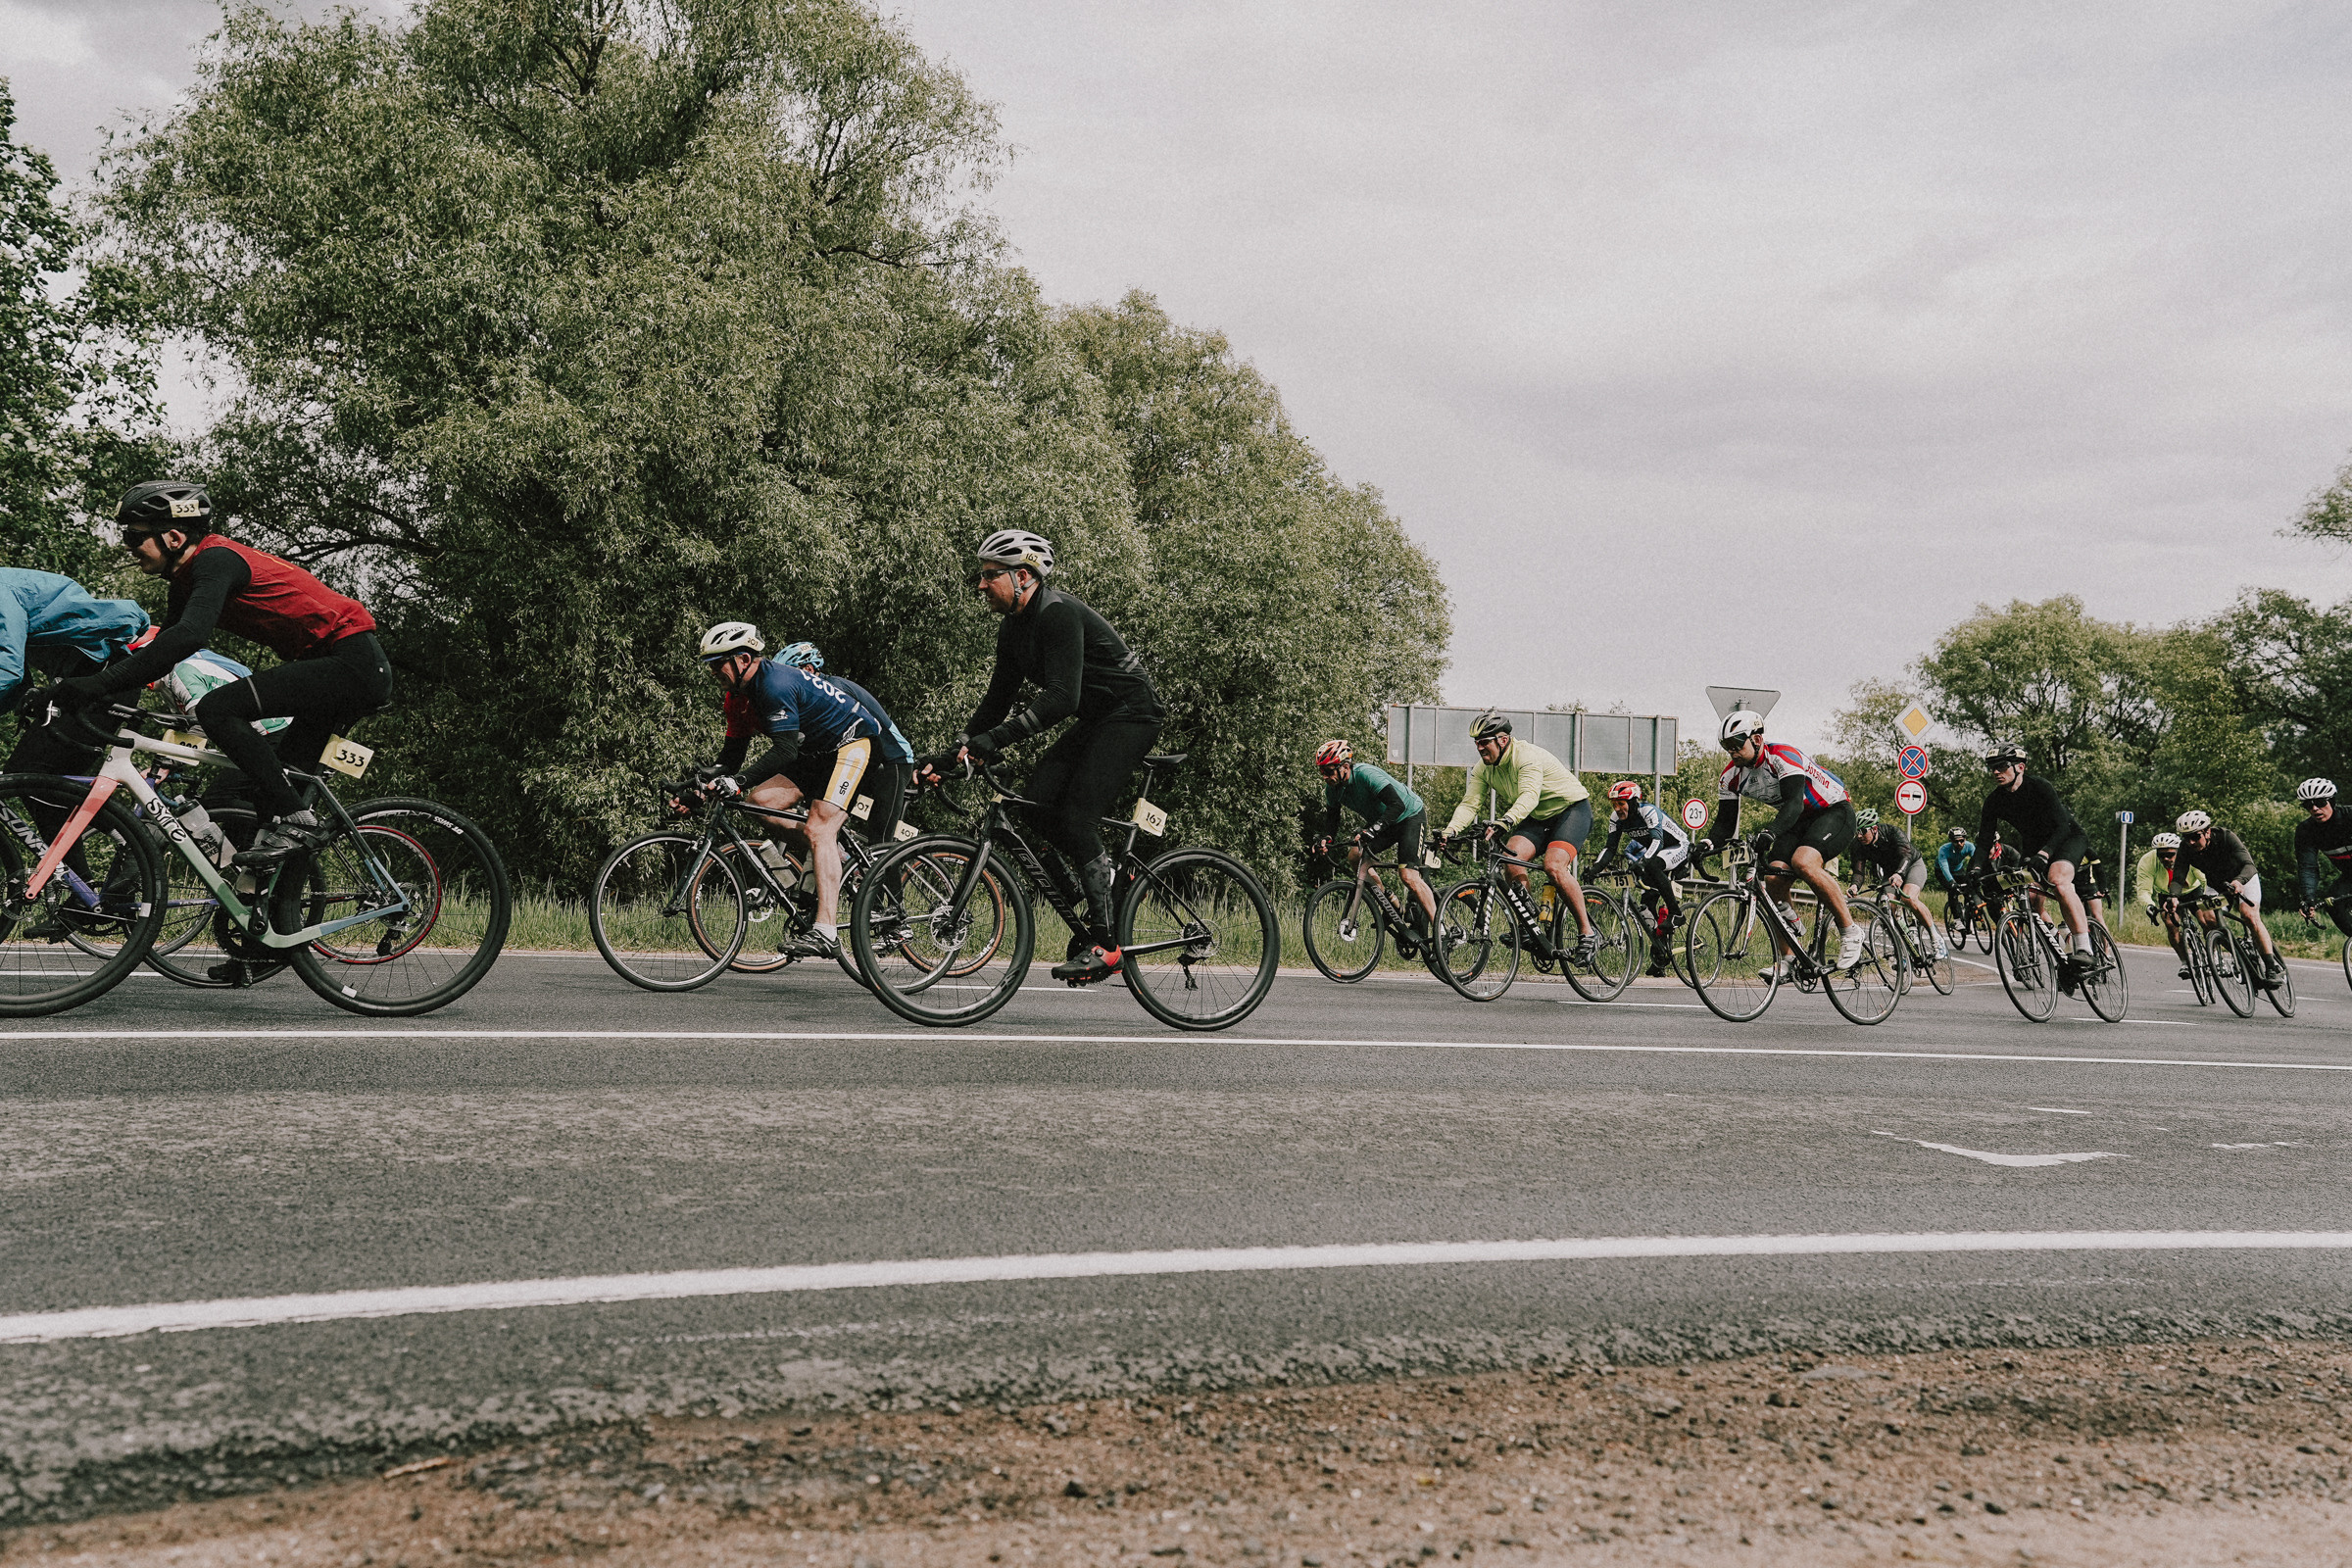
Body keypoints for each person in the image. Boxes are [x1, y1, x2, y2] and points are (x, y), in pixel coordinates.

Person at [54, 481, 391, 867]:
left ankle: (302, 824)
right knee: (273, 801)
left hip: (353, 663)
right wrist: (90, 691)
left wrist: (95, 685)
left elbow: (189, 637)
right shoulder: (185, 581)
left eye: (134, 537)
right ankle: (272, 914)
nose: (128, 547)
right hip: (330, 666)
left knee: (216, 710)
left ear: (174, 536)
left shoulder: (216, 560)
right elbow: (163, 653)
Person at [935, 530, 1166, 985]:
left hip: (1132, 714)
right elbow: (996, 700)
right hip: (1097, 719)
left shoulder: (1057, 614)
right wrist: (955, 748)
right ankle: (1086, 899)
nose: (980, 585)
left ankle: (1107, 942)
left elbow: (1062, 697)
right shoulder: (1013, 627)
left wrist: (996, 740)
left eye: (989, 576)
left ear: (1023, 576)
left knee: (1079, 818)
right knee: (1036, 808)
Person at [700, 622, 887, 960]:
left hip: (853, 743)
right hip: (817, 754)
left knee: (819, 827)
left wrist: (737, 781)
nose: (714, 673)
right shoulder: (737, 698)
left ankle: (827, 931)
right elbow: (731, 756)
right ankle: (838, 859)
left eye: (717, 665)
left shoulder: (774, 684)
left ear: (743, 658)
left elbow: (784, 752)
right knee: (760, 803)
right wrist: (700, 787)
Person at [1696, 710, 1863, 977]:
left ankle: (1850, 931)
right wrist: (1705, 844)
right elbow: (1725, 824)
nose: (1733, 752)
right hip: (1797, 820)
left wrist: (1770, 832)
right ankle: (1788, 960)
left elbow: (1795, 802)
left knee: (1803, 861)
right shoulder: (1730, 778)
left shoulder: (1783, 756)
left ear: (1758, 739)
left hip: (1832, 811)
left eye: (1737, 745)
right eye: (1727, 747)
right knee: (1772, 879)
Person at [1438, 710, 1595, 965]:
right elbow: (1470, 804)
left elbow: (1529, 796)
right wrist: (1450, 830)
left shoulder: (1526, 757)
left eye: (1483, 742)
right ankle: (1529, 923)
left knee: (1553, 867)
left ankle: (1587, 933)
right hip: (1539, 816)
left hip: (1571, 810)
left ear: (1502, 740)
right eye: (1476, 743)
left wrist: (1505, 821)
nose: (1479, 748)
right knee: (1510, 859)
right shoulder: (1483, 769)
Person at [2, 567, 150, 776]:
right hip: (92, 680)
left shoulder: (2, 591)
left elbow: (8, 670)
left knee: (28, 777)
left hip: (102, 678)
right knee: (26, 779)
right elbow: (16, 684)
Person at [772, 640, 915, 844]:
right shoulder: (809, 696)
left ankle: (877, 870)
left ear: (809, 670)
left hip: (893, 761)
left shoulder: (834, 689)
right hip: (862, 759)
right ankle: (843, 860)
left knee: (880, 845)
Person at [1971, 744, 2096, 975]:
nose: (1996, 772)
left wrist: (2045, 854)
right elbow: (1984, 841)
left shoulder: (2039, 787)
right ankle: (2058, 946)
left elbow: (2061, 827)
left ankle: (2084, 947)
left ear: (2020, 767)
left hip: (2067, 837)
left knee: (2058, 882)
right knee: (2027, 896)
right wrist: (1975, 869)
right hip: (2034, 845)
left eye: (2001, 767)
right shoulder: (1994, 800)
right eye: (1992, 768)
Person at [1313, 739, 1438, 936]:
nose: (1325, 777)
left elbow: (1397, 805)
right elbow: (1332, 819)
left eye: (1328, 771)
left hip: (1409, 816)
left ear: (1345, 767)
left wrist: (1372, 830)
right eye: (1321, 772)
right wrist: (1326, 839)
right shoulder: (1332, 789)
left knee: (1408, 876)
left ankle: (1442, 932)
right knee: (1355, 856)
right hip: (1386, 822)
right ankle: (1389, 902)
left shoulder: (1366, 775)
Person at [1590, 779, 1690, 975]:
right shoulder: (1615, 819)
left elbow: (1657, 842)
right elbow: (1610, 848)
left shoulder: (1648, 811)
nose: (1617, 808)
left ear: (1634, 801)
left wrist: (1643, 862)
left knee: (1652, 865)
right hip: (1657, 852)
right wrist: (1595, 868)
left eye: (1621, 803)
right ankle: (1660, 953)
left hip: (1677, 847)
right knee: (1647, 904)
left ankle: (1676, 913)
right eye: (1614, 804)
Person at [2175, 808, 2282, 988]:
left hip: (2243, 879)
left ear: (2207, 832)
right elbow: (2179, 876)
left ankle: (2271, 966)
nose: (2191, 842)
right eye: (2186, 838)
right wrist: (2173, 897)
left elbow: (2249, 865)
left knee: (2248, 915)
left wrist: (2239, 882)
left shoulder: (2226, 837)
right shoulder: (2186, 848)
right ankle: (2238, 951)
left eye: (2195, 836)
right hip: (2217, 886)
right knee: (2207, 917)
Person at [1850, 808, 1946, 960]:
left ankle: (1936, 938)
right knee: (1888, 906)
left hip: (1912, 864)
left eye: (1863, 831)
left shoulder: (1892, 832)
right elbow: (1858, 872)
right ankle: (1903, 943)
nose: (1859, 836)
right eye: (1857, 832)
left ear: (1874, 829)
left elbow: (1907, 855)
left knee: (1909, 898)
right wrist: (1855, 886)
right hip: (1890, 872)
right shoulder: (1858, 844)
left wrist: (1900, 874)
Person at [2137, 830, 2206, 977]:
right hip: (2167, 895)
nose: (2166, 858)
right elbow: (2143, 890)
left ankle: (2212, 953)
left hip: (2193, 891)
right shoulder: (2147, 861)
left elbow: (2204, 877)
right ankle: (2185, 962)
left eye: (2170, 854)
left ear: (2178, 851)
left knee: (2206, 919)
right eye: (2161, 855)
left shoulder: (2188, 854)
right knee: (2170, 923)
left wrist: (2208, 895)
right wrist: (2149, 906)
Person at [2294, 778, 2352, 936]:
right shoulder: (2306, 831)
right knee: (2332, 903)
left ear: (2332, 801)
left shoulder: (2350, 817)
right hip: (2350, 877)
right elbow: (2308, 868)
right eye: (2308, 805)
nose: (2314, 808)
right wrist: (2308, 899)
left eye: (2320, 802)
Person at [1934, 826, 1975, 897]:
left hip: (1958, 869)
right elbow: (1944, 867)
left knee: (1970, 889)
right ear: (1951, 841)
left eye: (1961, 840)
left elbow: (1976, 861)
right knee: (1953, 890)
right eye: (1956, 841)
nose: (1959, 843)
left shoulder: (1970, 846)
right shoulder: (1944, 849)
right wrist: (1951, 881)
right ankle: (1954, 907)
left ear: (1965, 839)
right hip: (1941, 871)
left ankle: (1969, 906)